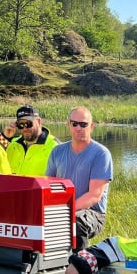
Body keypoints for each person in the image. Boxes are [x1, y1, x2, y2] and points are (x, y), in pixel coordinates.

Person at [45, 106, 112, 250]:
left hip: (92, 213)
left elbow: (94, 195)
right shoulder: (57, 151)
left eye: (83, 124)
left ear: (92, 126)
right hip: (61, 209)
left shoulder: (101, 154)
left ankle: (79, 266)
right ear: (68, 125)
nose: (78, 128)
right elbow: (48, 187)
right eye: (74, 124)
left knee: (76, 221)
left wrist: (66, 212)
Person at [4, 104, 61, 176]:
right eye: (20, 125)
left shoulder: (55, 147)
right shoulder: (12, 144)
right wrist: (4, 136)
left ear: (39, 122)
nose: (24, 128)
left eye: (28, 124)